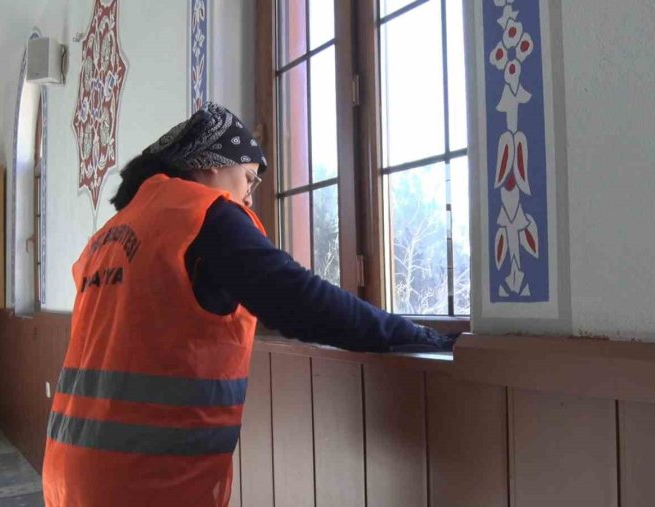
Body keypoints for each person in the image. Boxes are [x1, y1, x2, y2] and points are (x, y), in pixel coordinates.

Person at [41, 102, 455, 506]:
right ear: (211, 164)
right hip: (145, 481)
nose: (250, 197)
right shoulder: (201, 215)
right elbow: (297, 299)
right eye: (249, 179)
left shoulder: (109, 235)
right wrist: (414, 335)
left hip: (67, 472)